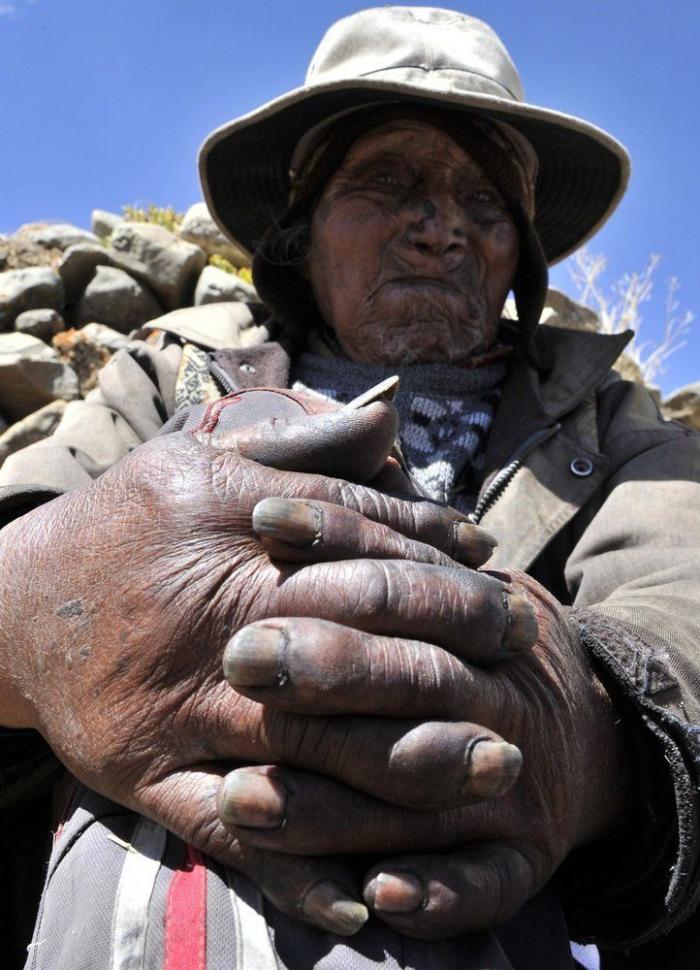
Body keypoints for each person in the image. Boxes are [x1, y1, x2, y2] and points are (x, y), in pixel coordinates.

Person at [1, 6, 699, 968]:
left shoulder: (616, 427)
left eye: (488, 203)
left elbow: (684, 599)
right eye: (389, 182)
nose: (442, 226)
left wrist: (585, 729)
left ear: (519, 258)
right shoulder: (164, 376)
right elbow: (21, 538)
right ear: (304, 229)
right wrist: (50, 614)